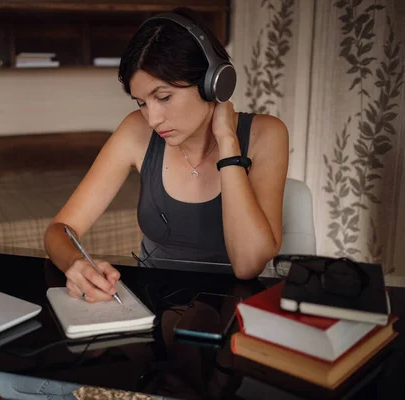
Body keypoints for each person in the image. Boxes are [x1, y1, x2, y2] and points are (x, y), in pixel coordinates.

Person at [44, 7, 289, 304]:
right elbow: (59, 230)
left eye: (163, 97)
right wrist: (76, 265)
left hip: (234, 314)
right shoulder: (137, 131)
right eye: (142, 103)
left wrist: (227, 140)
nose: (153, 119)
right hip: (152, 309)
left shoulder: (267, 134)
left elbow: (248, 264)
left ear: (213, 83)